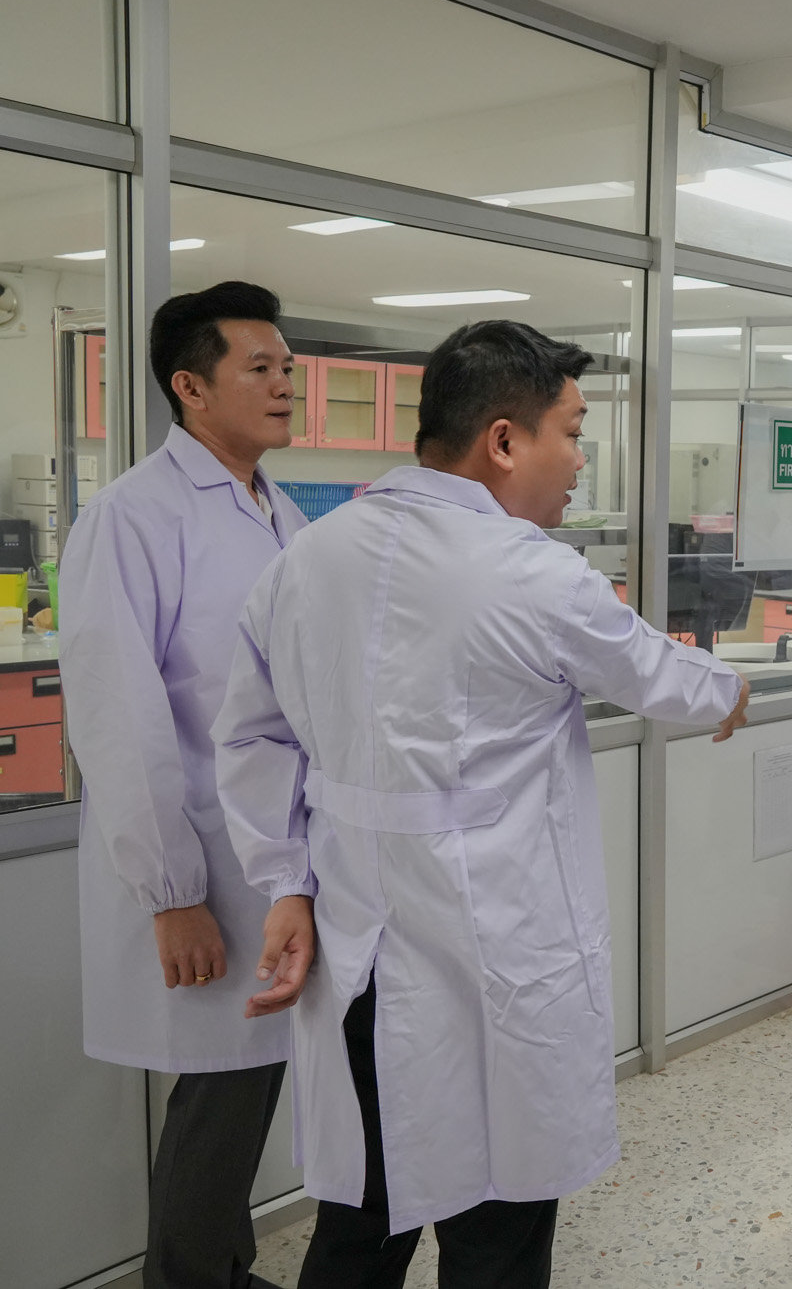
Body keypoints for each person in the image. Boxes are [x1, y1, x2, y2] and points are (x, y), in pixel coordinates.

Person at [211, 320, 750, 1288]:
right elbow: (662, 677)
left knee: (359, 1227)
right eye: (571, 433)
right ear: (503, 440)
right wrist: (730, 690)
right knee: (496, 1239)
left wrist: (284, 880)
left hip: (358, 954)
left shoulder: (307, 558)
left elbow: (250, 736)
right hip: (495, 964)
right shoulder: (532, 572)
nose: (580, 461)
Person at [63, 281, 307, 1289]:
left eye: (287, 367)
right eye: (260, 368)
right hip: (203, 863)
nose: (285, 384)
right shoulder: (134, 516)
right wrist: (172, 894)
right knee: (219, 1097)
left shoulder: (278, 510)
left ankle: (220, 1269)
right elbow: (118, 717)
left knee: (249, 1087)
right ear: (190, 388)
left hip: (275, 861)